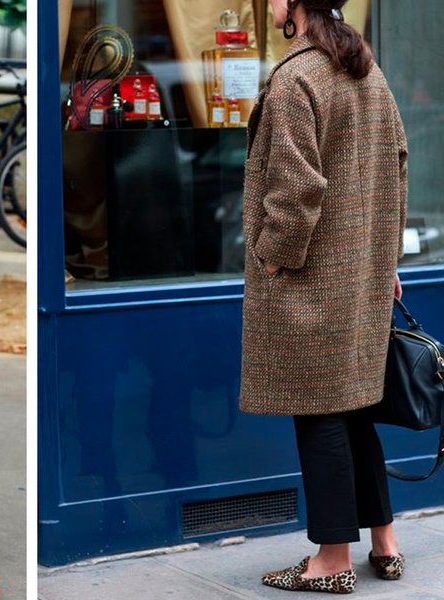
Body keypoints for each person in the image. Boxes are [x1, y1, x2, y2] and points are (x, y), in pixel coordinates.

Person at [239, 0, 407, 594]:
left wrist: (271, 255)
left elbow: (296, 189)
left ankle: (332, 560)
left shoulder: (295, 78)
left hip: (311, 279)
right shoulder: (365, 68)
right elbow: (396, 163)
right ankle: (384, 540)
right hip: (360, 272)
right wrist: (385, 259)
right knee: (355, 405)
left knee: (319, 413)